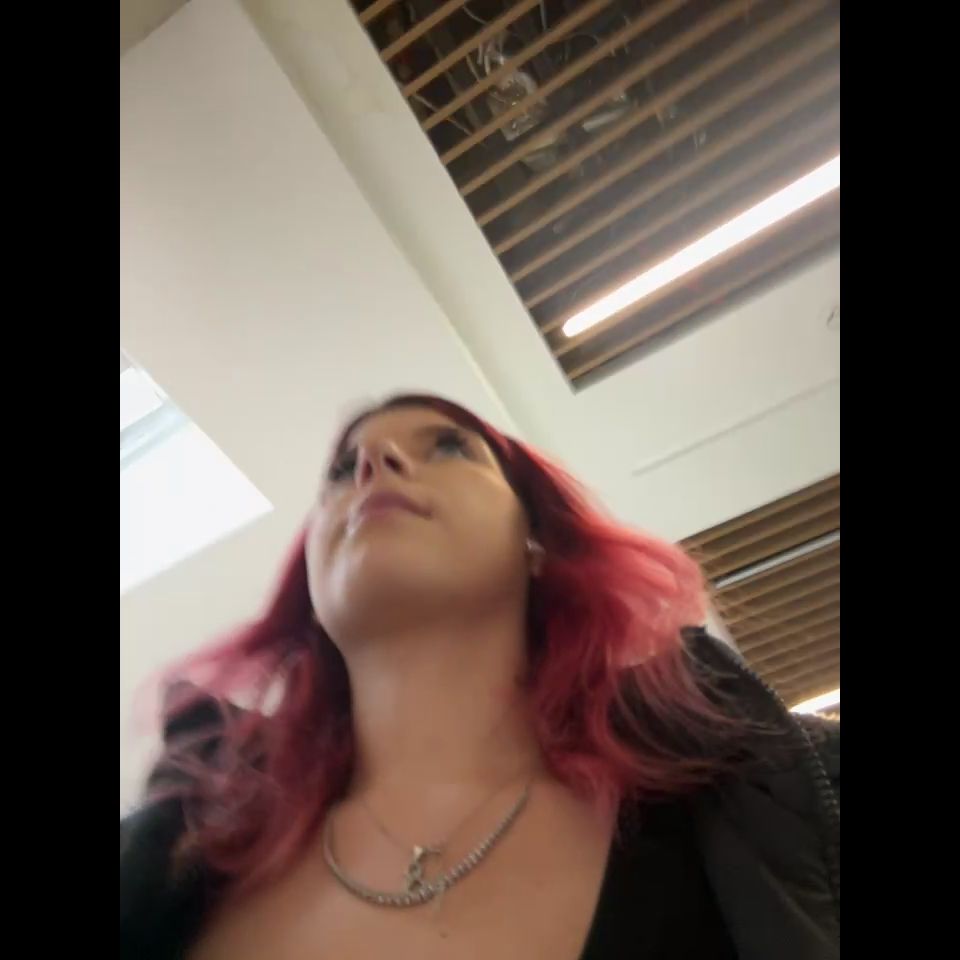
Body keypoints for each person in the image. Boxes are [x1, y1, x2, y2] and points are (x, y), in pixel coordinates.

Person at [120, 394, 839, 960]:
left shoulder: (765, 789)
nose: (373, 461)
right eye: (341, 469)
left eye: (448, 446)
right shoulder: (182, 850)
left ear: (535, 542)